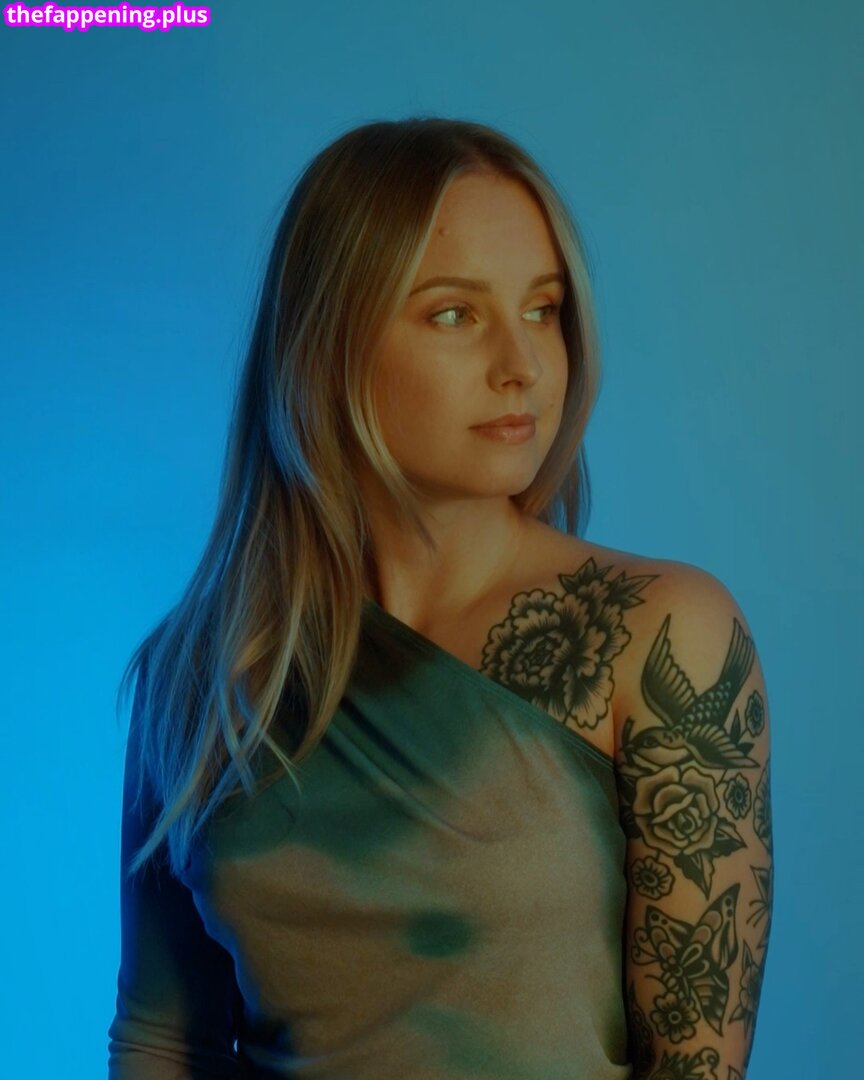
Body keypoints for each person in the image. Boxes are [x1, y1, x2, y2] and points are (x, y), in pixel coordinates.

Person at [107, 116, 773, 1079]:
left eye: (542, 309)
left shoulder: (660, 635)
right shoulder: (202, 670)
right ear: (328, 342)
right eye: (455, 314)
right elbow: (162, 1036)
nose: (523, 364)